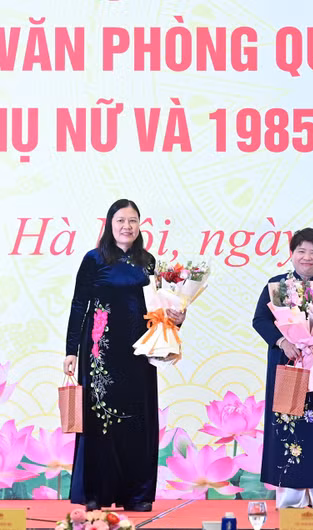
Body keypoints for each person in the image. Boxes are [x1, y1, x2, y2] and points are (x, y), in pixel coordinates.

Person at [63, 199, 185, 511]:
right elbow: (80, 304)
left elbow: (158, 305)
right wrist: (71, 351)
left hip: (140, 351)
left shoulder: (148, 261)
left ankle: (137, 494)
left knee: (138, 421)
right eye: (120, 221)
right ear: (109, 224)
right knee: (99, 422)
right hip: (99, 351)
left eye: (132, 221)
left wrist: (176, 318)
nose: (126, 226)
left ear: (139, 225)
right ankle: (96, 493)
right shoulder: (95, 259)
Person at [253, 227, 313, 509]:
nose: (307, 257)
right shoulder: (277, 286)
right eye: (301, 251)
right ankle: (290, 498)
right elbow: (260, 320)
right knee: (289, 426)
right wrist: (282, 341)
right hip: (288, 365)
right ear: (292, 254)